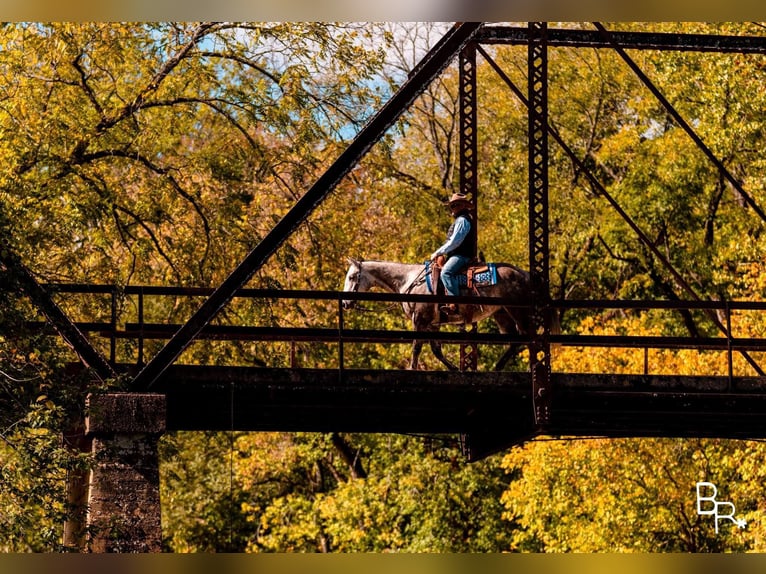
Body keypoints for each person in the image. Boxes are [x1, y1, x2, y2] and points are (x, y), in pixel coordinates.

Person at [430, 192, 476, 313]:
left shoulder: (462, 221)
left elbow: (455, 242)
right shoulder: (460, 220)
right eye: (452, 205)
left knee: (446, 272)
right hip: (458, 254)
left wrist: (437, 252)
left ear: (463, 206)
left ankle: (454, 304)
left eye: (455, 205)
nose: (452, 208)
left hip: (462, 256)